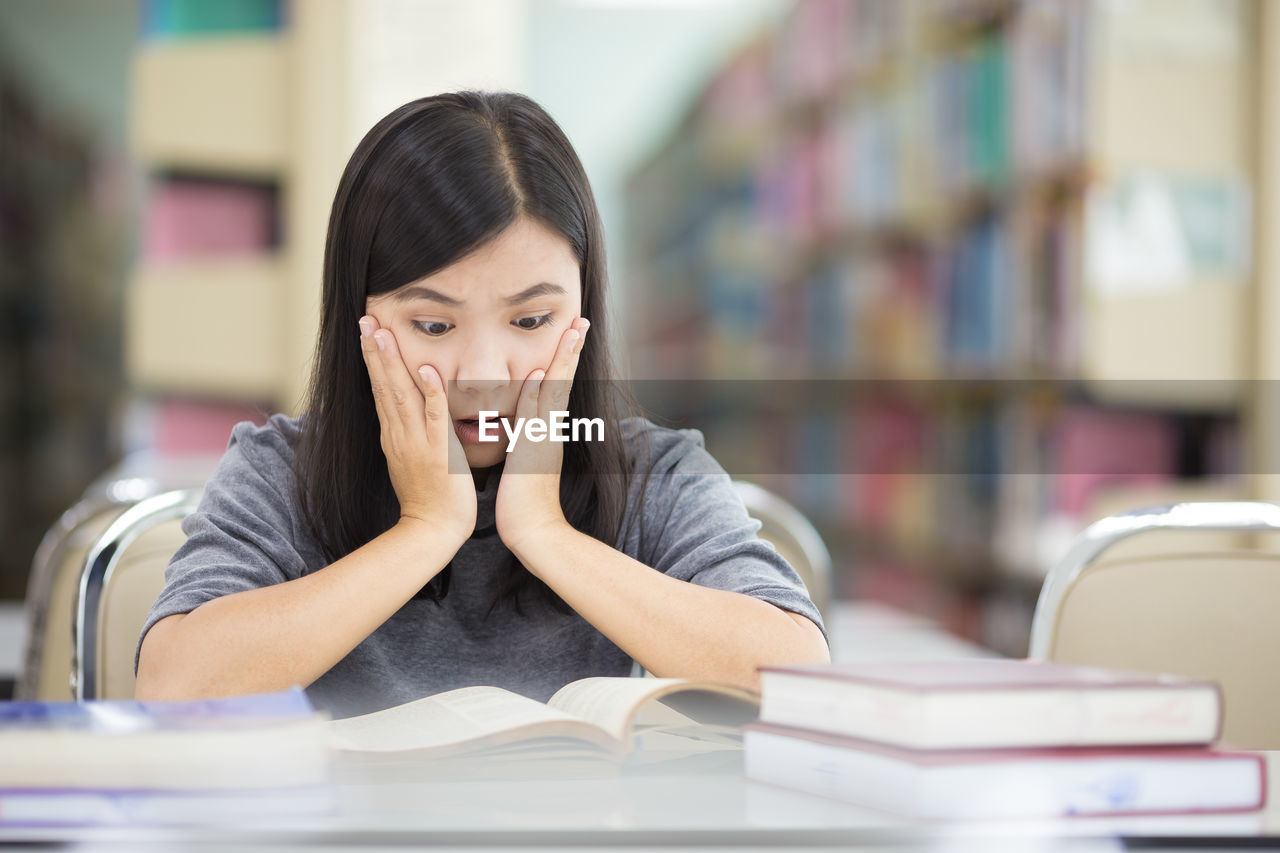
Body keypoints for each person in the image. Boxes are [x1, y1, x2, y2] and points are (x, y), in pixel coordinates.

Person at [133, 91, 829, 718]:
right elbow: (171, 684)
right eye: (433, 325)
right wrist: (426, 528)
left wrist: (547, 533)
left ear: (584, 310)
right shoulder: (280, 471)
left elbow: (799, 673)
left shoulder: (651, 471)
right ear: (359, 316)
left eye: (530, 322)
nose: (485, 374)